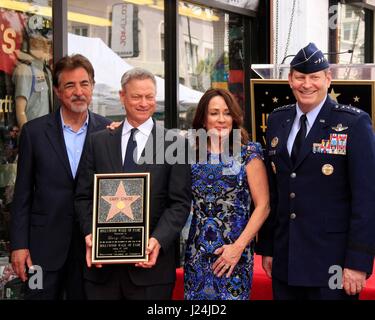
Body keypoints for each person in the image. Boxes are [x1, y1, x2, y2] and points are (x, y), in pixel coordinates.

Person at [256, 43, 375, 300]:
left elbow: (366, 199)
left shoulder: (353, 123)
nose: (306, 84)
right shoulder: (278, 120)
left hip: (332, 264)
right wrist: (268, 247)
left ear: (328, 79)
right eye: (300, 77)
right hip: (286, 259)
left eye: (314, 77)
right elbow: (275, 191)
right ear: (290, 80)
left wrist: (358, 261)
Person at [74, 67, 191, 300]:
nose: (144, 103)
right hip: (102, 272)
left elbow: (179, 203)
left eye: (149, 97)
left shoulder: (173, 143)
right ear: (122, 96)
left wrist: (157, 240)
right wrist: (90, 234)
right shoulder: (98, 141)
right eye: (137, 96)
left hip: (151, 272)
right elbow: (83, 196)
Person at [10, 54, 111, 299]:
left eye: (84, 84)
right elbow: (22, 195)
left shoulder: (108, 131)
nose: (78, 91)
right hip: (40, 249)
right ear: (57, 90)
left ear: (92, 87)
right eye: (70, 85)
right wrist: (19, 246)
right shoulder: (34, 133)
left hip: (90, 250)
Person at [184, 88, 270, 300]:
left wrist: (238, 247)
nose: (221, 119)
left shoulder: (249, 153)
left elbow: (263, 205)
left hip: (235, 254)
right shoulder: (189, 153)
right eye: (214, 113)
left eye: (227, 113)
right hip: (197, 254)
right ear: (203, 119)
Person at [12, 34, 53, 129]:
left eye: (47, 44)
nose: (47, 48)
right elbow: (20, 110)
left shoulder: (47, 73)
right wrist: (27, 135)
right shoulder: (25, 70)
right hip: (33, 132)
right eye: (42, 45)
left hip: (49, 131)